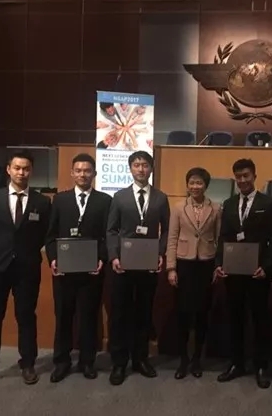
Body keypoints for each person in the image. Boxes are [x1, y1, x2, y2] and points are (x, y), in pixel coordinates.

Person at [0, 151, 51, 390]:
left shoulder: (42, 202)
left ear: (31, 171)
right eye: (17, 168)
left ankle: (27, 363)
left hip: (27, 268)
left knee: (26, 316)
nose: (21, 172)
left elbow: (44, 234)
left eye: (26, 168)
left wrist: (25, 251)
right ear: (8, 169)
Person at [45, 153, 112, 382]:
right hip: (63, 272)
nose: (83, 174)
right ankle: (61, 362)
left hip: (91, 272)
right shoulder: (60, 200)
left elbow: (107, 235)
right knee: (63, 317)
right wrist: (53, 259)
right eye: (79, 170)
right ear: (72, 173)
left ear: (94, 174)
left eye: (87, 171)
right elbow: (51, 235)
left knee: (88, 318)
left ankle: (87, 361)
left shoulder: (105, 201)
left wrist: (102, 258)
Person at [106, 150, 170, 386]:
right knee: (120, 314)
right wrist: (114, 256)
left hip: (148, 265)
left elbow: (167, 229)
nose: (141, 169)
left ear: (151, 169)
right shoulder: (119, 197)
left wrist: (161, 253)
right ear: (130, 168)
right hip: (123, 265)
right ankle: (119, 362)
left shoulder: (160, 198)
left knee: (144, 313)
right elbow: (111, 230)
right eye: (136, 165)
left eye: (145, 165)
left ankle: (140, 359)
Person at [214, 158, 272, 389]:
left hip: (257, 273)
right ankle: (236, 363)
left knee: (260, 320)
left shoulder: (269, 203)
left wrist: (267, 267)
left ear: (254, 176)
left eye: (246, 176)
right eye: (238, 177)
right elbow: (224, 237)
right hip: (233, 272)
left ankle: (261, 366)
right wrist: (219, 263)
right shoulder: (229, 203)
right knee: (235, 319)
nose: (242, 180)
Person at [166, 167, 221, 380]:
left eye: (199, 183)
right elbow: (172, 239)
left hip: (206, 265)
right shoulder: (178, 208)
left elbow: (219, 240)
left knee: (202, 314)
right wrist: (171, 268)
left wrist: (217, 266)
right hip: (184, 264)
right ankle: (183, 360)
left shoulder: (216, 208)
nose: (195, 186)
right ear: (187, 185)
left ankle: (197, 358)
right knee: (183, 314)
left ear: (206, 185)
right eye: (192, 182)